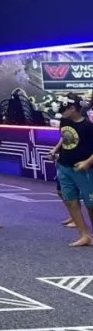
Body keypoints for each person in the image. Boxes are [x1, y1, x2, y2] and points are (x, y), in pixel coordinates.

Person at [48, 94, 93, 247]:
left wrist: (87, 162)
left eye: (65, 108)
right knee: (71, 201)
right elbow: (64, 136)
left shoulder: (88, 127)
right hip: (64, 166)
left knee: (91, 204)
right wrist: (55, 150)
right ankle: (84, 235)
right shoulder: (65, 121)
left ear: (73, 108)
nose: (62, 111)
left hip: (84, 170)